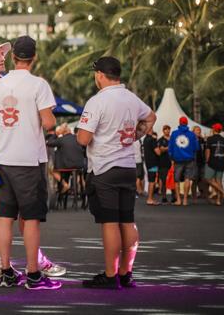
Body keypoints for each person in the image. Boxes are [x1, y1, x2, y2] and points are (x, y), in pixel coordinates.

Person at [0, 38, 65, 279]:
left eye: (3, 54)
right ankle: (4, 262)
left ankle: (21, 262)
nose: (1, 58)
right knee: (7, 211)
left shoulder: (2, 83)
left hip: (3, 152)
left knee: (13, 212)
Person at [76, 56, 157, 289]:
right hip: (128, 166)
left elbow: (83, 139)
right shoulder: (131, 98)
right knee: (128, 220)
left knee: (109, 222)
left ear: (100, 75)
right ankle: (125, 273)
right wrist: (136, 135)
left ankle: (111, 276)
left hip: (104, 168)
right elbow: (151, 117)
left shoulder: (97, 101)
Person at [45, 124, 85, 195]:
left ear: (62, 132)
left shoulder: (61, 140)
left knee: (52, 171)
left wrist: (56, 133)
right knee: (78, 173)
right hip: (80, 166)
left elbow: (49, 143)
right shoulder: (78, 138)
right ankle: (81, 186)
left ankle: (65, 184)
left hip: (66, 167)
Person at [168, 117, 199, 206]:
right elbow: (196, 148)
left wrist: (171, 157)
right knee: (187, 179)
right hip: (189, 159)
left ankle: (178, 200)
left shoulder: (174, 133)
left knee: (176, 180)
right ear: (186, 123)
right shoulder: (192, 134)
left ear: (179, 123)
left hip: (177, 160)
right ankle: (185, 200)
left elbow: (170, 148)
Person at [205, 123, 224, 205]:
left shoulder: (210, 139)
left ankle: (223, 192)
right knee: (219, 181)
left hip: (212, 161)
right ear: (220, 130)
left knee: (208, 179)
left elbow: (208, 151)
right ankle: (218, 201)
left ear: (214, 129)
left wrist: (207, 160)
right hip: (221, 161)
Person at [143, 131, 160, 205]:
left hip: (148, 162)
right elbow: (158, 152)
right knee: (152, 181)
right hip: (153, 163)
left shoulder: (145, 139)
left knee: (151, 180)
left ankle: (151, 198)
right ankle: (149, 199)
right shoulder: (152, 139)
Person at [156, 126, 172, 203]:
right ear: (163, 131)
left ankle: (174, 197)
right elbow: (161, 149)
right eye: (166, 130)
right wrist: (170, 147)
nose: (167, 131)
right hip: (163, 163)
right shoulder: (160, 140)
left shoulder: (173, 139)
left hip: (172, 162)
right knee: (163, 180)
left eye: (168, 129)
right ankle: (164, 197)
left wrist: (166, 148)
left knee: (173, 180)